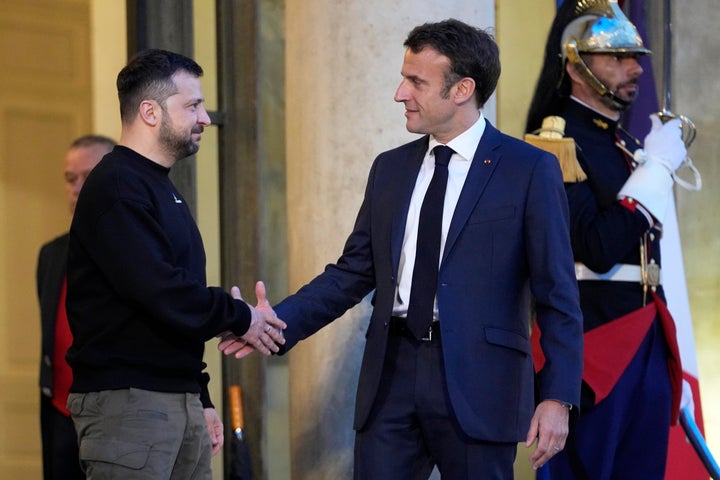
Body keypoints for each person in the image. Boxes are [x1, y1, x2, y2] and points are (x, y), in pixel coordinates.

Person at [221, 19, 583, 479]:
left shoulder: (529, 169)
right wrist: (274, 324)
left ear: (462, 89)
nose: (399, 93)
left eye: (416, 81)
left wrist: (557, 397)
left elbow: (558, 293)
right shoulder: (390, 168)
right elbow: (351, 272)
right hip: (390, 374)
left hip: (481, 383)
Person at [65, 49, 286, 479]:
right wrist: (239, 316)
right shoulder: (115, 185)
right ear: (150, 111)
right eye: (192, 105)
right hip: (129, 404)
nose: (204, 118)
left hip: (173, 399)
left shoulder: (161, 188)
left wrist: (198, 397)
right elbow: (160, 291)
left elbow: (168, 309)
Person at [525, 1, 688, 478]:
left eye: (635, 55)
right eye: (617, 57)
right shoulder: (554, 143)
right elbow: (594, 248)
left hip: (645, 335)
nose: (636, 67)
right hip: (592, 344)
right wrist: (653, 174)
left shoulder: (626, 144)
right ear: (577, 67)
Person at [36, 134, 115, 480]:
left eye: (89, 176)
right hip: (60, 414)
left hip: (116, 418)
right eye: (71, 179)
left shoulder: (134, 251)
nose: (77, 187)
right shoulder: (51, 255)